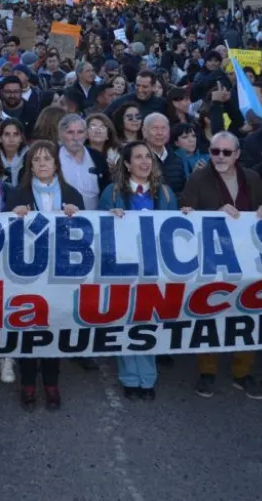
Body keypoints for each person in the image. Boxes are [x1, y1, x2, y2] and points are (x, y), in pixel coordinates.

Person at [178, 132, 262, 401]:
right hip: (210, 259)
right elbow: (184, 213)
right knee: (209, 313)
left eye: (226, 152)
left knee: (247, 313)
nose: (219, 157)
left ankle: (243, 372)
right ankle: (207, 370)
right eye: (215, 151)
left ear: (237, 154)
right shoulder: (198, 178)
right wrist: (213, 216)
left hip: (248, 259)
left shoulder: (252, 178)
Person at [7, 140, 81, 410]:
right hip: (29, 275)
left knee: (55, 327)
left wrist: (78, 216)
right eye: (36, 160)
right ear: (30, 166)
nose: (41, 164)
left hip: (61, 273)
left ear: (55, 164)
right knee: (28, 328)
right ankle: (28, 383)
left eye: (46, 159)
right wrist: (13, 217)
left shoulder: (72, 194)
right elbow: (6, 236)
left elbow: (87, 233)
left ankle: (51, 382)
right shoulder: (18, 195)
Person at [101, 140, 179, 398]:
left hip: (154, 269)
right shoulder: (111, 193)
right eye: (138, 157)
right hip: (122, 269)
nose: (145, 162)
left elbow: (175, 233)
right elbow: (99, 231)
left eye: (148, 157)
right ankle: (129, 378)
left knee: (148, 322)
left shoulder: (166, 194)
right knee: (124, 322)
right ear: (126, 163)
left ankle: (148, 379)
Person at [56, 114, 110, 211]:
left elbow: (107, 191)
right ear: (61, 134)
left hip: (94, 222)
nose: (75, 138)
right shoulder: (53, 157)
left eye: (80, 132)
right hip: (61, 220)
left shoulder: (97, 158)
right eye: (70, 132)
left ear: (86, 135)